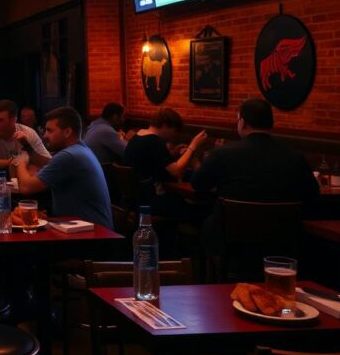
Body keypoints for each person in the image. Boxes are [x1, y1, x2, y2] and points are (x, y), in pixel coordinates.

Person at [192, 99, 319, 253]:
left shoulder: (223, 153)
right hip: (282, 240)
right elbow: (313, 195)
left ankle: (214, 275)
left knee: (207, 224)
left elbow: (197, 183)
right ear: (271, 124)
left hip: (230, 238)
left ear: (242, 123)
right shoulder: (296, 157)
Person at [14, 107, 113, 229]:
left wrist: (20, 161)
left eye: (50, 131)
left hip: (91, 235)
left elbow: (26, 187)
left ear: (67, 132)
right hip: (85, 228)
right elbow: (46, 163)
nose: (45, 135)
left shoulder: (69, 156)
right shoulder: (79, 150)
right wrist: (27, 147)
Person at [123, 107, 208, 214]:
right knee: (200, 210)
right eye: (174, 130)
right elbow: (176, 171)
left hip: (136, 200)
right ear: (165, 126)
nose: (175, 134)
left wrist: (173, 153)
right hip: (151, 200)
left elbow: (151, 161)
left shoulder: (138, 136)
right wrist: (193, 146)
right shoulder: (154, 141)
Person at [0, 100, 51, 173]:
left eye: (1, 120)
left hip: (20, 179)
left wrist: (27, 146)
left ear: (13, 120)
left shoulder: (28, 133)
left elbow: (49, 163)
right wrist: (15, 162)